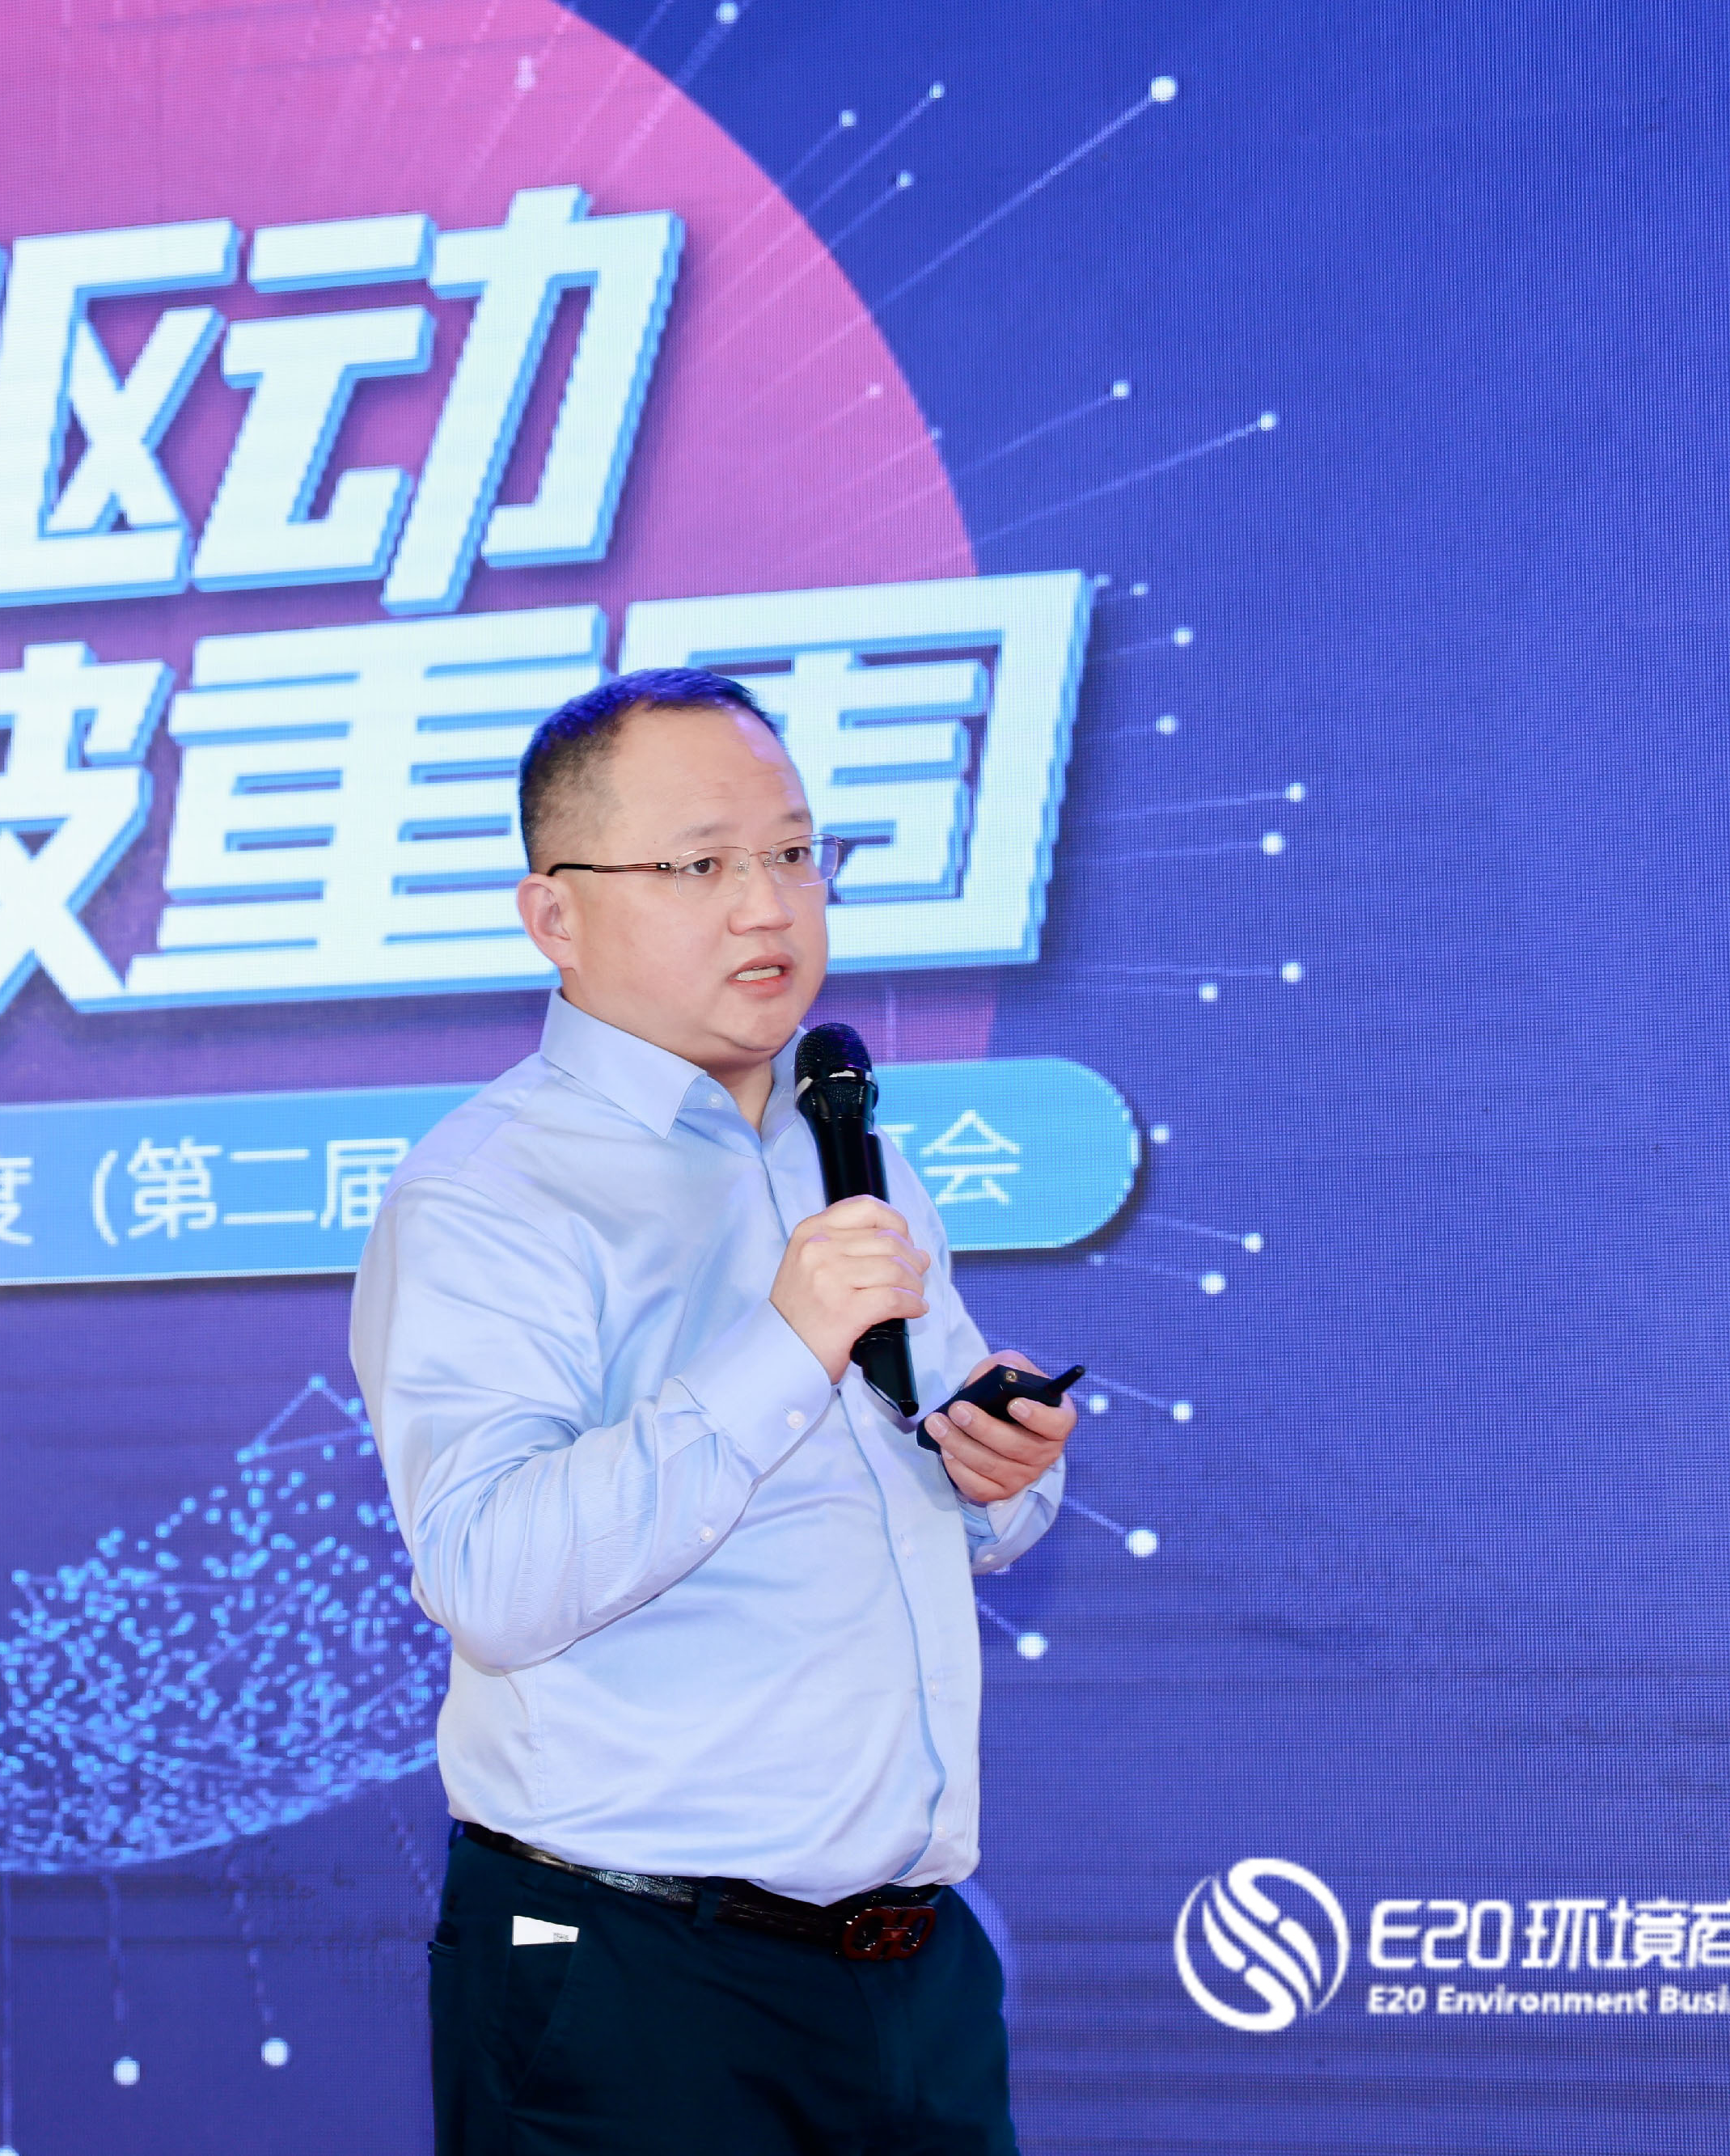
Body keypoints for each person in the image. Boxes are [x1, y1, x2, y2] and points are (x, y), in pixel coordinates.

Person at [350, 667, 1076, 2154]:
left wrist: (993, 1469)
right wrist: (781, 1347)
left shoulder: (842, 1139)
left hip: (907, 1969)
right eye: (700, 865)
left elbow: (928, 1496)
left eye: (795, 853)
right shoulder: (487, 1191)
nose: (767, 905)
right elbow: (488, 1576)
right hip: (625, 1974)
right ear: (555, 914)